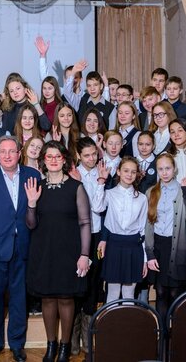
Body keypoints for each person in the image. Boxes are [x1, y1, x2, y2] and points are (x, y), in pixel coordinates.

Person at [0, 136, 42, 362]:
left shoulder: (33, 176)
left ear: (19, 153)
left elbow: (37, 215)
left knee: (19, 300)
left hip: (23, 248)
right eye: (2, 151)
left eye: (11, 151)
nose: (7, 155)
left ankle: (16, 345)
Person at [25, 141, 91, 362]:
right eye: (49, 156)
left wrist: (84, 255)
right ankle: (50, 344)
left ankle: (65, 346)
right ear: (43, 161)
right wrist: (31, 203)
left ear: (64, 160)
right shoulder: (36, 186)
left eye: (57, 156)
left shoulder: (76, 187)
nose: (53, 160)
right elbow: (30, 224)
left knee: (65, 298)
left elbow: (85, 223)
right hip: (43, 250)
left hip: (69, 251)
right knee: (47, 299)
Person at [145, 153, 186, 317]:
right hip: (158, 246)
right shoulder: (151, 192)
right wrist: (150, 253)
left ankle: (176, 329)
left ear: (174, 169)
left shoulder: (184, 190)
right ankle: (162, 330)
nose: (164, 172)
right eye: (160, 169)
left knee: (176, 293)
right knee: (160, 292)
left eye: (168, 168)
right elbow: (148, 226)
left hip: (177, 246)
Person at [72, 137, 108, 354]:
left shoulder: (103, 173)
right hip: (77, 235)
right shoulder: (72, 173)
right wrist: (80, 184)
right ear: (78, 156)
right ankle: (73, 336)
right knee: (77, 281)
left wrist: (101, 182)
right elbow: (81, 206)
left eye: (94, 154)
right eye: (86, 155)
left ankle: (87, 335)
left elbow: (99, 207)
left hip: (96, 235)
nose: (91, 158)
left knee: (94, 282)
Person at [98, 158, 149, 303]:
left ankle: (128, 318)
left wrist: (145, 259)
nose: (129, 174)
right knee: (113, 291)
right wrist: (101, 182)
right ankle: (110, 318)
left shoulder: (142, 198)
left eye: (133, 172)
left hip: (134, 246)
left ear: (137, 174)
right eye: (126, 171)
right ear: (118, 172)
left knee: (129, 292)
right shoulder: (109, 193)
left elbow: (143, 230)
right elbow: (97, 207)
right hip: (114, 245)